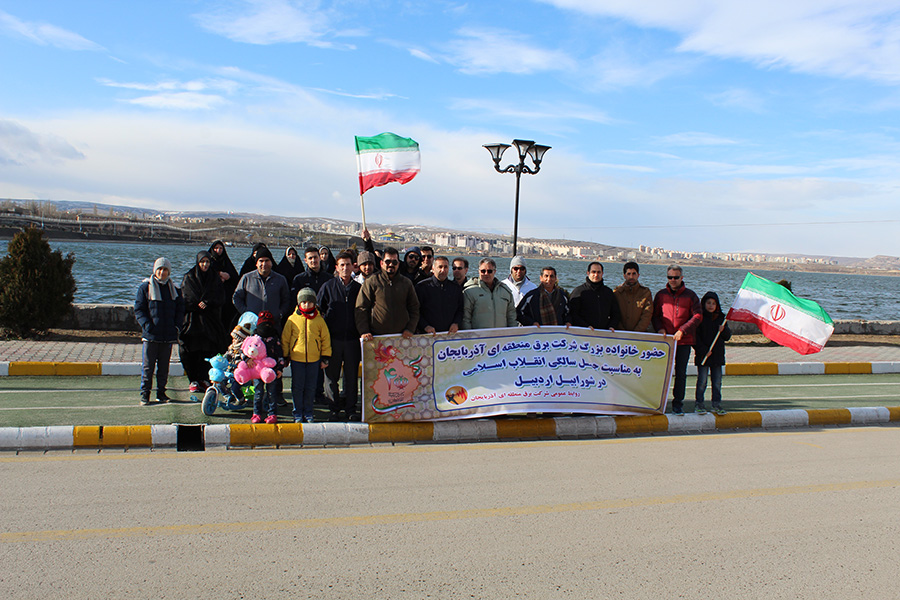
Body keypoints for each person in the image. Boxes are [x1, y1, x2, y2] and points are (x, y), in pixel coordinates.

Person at [317, 251, 362, 421]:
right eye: (341, 265)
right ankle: (334, 408)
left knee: (351, 378)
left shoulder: (359, 289)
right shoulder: (328, 286)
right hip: (332, 340)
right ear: (336, 267)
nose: (345, 268)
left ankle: (351, 409)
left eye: (348, 264)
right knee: (331, 377)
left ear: (353, 267)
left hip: (352, 340)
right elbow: (318, 311)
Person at [652, 265, 702, 416]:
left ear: (682, 278)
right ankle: (658, 403)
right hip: (665, 341)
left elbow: (698, 316)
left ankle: (678, 404)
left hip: (683, 342)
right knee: (661, 373)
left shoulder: (691, 295)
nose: (673, 280)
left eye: (676, 277)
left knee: (681, 374)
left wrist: (683, 330)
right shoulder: (660, 295)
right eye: (670, 277)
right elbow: (655, 316)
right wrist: (660, 329)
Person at [134, 257, 185, 405]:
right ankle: (145, 394)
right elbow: (139, 309)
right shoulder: (145, 288)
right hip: (151, 335)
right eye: (160, 269)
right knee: (148, 367)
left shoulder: (174, 289)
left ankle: (161, 393)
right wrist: (147, 325)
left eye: (165, 270)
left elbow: (180, 310)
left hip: (168, 335)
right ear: (155, 270)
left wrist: (177, 327)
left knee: (164, 367)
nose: (162, 272)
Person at [179, 251, 226, 393]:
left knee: (208, 351)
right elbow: (185, 296)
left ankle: (205, 378)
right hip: (193, 322)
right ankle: (193, 379)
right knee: (191, 351)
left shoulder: (214, 278)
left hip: (210, 322)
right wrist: (197, 304)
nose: (205, 265)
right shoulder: (189, 277)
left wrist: (208, 302)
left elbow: (220, 297)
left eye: (207, 262)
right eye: (202, 262)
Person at [282, 288, 332, 423]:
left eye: (309, 302)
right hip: (297, 359)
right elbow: (286, 339)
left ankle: (308, 412)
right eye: (303, 302)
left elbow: (325, 339)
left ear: (314, 303)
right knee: (297, 387)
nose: (306, 305)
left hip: (314, 359)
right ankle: (297, 412)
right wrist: (286, 355)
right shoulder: (292, 319)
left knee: (311, 387)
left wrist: (325, 357)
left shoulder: (319, 320)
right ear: (299, 303)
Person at [356, 247, 420, 341]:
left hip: (402, 337)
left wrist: (410, 329)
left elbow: (414, 308)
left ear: (398, 264)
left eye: (394, 262)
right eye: (387, 261)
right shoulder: (372, 282)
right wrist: (364, 331)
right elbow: (361, 308)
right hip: (376, 337)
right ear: (381, 263)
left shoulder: (406, 283)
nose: (391, 264)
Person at [694, 292, 731, 416]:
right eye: (708, 303)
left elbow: (727, 337)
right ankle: (699, 404)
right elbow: (695, 337)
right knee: (702, 381)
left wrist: (724, 330)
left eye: (713, 303)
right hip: (704, 355)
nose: (711, 306)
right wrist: (703, 350)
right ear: (703, 304)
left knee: (717, 382)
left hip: (717, 356)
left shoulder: (721, 318)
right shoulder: (699, 318)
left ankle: (716, 404)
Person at [233, 247, 291, 325]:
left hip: (273, 324)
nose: (264, 264)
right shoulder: (247, 278)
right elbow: (236, 297)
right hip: (251, 324)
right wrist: (246, 312)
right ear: (256, 263)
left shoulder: (280, 279)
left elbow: (286, 299)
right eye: (261, 261)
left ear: (271, 262)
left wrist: (280, 314)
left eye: (267, 261)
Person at [462, 258, 517, 329]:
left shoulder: (505, 291)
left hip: (501, 337)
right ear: (479, 271)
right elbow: (466, 318)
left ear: (495, 271)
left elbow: (511, 317)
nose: (486, 274)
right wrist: (469, 336)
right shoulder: (469, 292)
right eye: (483, 271)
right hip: (479, 337)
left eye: (489, 271)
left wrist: (513, 334)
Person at [250, 311, 285, 425]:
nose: (266, 327)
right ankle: (256, 413)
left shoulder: (275, 339)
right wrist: (247, 360)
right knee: (258, 392)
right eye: (263, 324)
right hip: (257, 370)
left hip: (272, 371)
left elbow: (280, 355)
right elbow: (246, 351)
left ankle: (272, 414)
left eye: (268, 325)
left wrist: (280, 368)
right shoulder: (254, 338)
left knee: (272, 393)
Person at [416, 256, 463, 334]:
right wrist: (425, 326)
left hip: (450, 334)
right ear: (433, 268)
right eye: (440, 267)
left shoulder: (456, 288)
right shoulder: (422, 287)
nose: (443, 270)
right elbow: (415, 311)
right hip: (428, 334)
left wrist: (456, 323)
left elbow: (460, 309)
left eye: (446, 267)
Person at [568, 262, 620, 330]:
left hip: (604, 333)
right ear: (588, 273)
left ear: (602, 273)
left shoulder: (608, 292)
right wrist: (586, 326)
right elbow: (573, 314)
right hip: (583, 333)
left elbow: (615, 313)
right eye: (593, 272)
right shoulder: (579, 291)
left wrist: (612, 326)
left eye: (599, 272)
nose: (596, 275)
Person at [208, 239, 239, 338]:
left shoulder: (226, 262)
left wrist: (228, 276)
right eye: (216, 248)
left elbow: (235, 278)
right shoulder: (209, 262)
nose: (218, 250)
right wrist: (218, 274)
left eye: (221, 248)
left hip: (226, 300)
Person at [613, 261, 653, 332]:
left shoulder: (646, 293)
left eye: (634, 274)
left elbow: (647, 315)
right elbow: (614, 313)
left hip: (639, 335)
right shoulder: (617, 293)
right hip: (620, 334)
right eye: (629, 274)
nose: (631, 277)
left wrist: (636, 332)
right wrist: (622, 331)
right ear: (624, 276)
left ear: (638, 275)